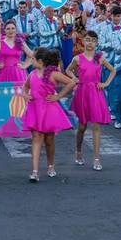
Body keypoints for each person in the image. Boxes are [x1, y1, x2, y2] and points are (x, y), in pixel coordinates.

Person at [22, 48, 75, 182]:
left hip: (49, 110)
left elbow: (71, 82)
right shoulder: (32, 74)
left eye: (33, 58)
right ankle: (35, 171)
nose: (31, 60)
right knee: (36, 138)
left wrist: (58, 96)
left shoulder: (53, 74)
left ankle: (51, 165)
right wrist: (25, 95)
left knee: (49, 140)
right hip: (35, 109)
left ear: (40, 61)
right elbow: (25, 87)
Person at [66, 31, 115, 170]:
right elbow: (68, 70)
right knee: (82, 127)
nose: (90, 43)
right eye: (87, 40)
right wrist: (74, 78)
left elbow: (113, 70)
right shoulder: (77, 58)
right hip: (82, 93)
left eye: (93, 41)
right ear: (83, 41)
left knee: (96, 126)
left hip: (96, 93)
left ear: (97, 43)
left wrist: (105, 83)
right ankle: (78, 150)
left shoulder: (100, 58)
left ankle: (96, 158)